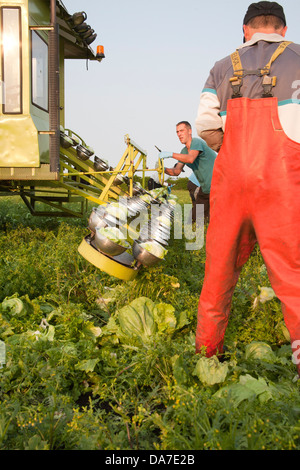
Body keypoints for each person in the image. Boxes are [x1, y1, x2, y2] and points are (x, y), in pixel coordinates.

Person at [194, 1, 300, 376]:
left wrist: (237, 150)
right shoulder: (299, 58)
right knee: (293, 275)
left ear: (245, 29)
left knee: (218, 270)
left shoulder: (221, 68)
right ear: (283, 30)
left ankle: (207, 355)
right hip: (283, 184)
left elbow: (206, 126)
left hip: (232, 184)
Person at [159, 121, 216, 222]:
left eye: (182, 130)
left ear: (189, 131)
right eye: (177, 132)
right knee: (194, 220)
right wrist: (162, 169)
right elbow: (176, 171)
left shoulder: (197, 142)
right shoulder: (184, 151)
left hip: (220, 185)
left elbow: (190, 158)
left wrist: (171, 154)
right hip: (206, 188)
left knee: (220, 219)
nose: (179, 134)